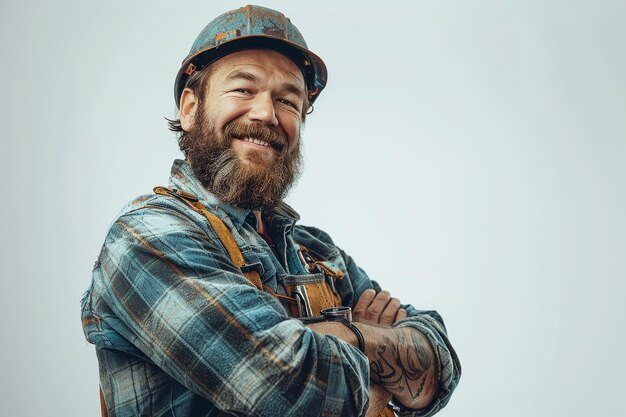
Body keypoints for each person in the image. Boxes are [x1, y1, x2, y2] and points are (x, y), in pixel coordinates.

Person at [81, 5, 461, 417]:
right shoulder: (148, 235)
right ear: (190, 108)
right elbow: (280, 388)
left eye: (288, 100)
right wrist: (375, 355)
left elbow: (440, 365)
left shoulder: (319, 252)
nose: (266, 113)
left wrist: (341, 338)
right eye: (244, 89)